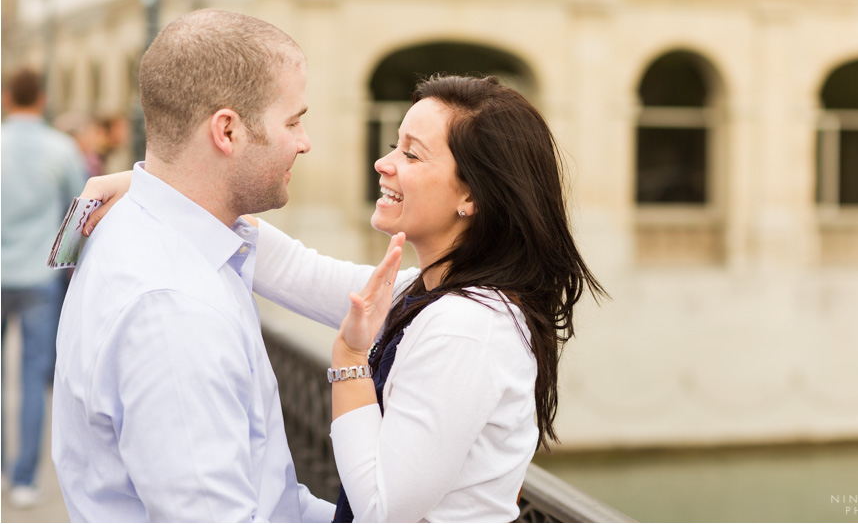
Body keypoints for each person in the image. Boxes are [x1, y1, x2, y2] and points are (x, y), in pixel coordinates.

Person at [81, 73, 606, 521]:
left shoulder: (467, 327)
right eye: (395, 144)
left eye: (411, 154)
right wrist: (163, 186)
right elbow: (294, 269)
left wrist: (350, 362)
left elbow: (381, 509)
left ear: (472, 194)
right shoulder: (426, 294)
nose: (384, 162)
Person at [51, 9, 352, 521]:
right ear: (227, 131)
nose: (305, 141)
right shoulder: (173, 310)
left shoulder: (168, 238)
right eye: (294, 121)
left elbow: (268, 502)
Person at [1, 68, 88, 508]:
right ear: (42, 98)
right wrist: (70, 266)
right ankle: (23, 479)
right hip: (39, 275)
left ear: (5, 98)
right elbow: (79, 212)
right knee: (33, 376)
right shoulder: (61, 148)